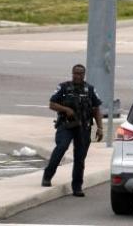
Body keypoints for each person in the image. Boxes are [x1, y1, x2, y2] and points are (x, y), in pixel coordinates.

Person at [42, 64, 103, 197]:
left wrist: (100, 127)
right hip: (66, 125)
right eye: (75, 73)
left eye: (80, 73)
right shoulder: (64, 87)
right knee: (61, 147)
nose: (77, 76)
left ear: (84, 75)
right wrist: (66, 109)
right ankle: (47, 176)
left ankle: (77, 187)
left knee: (80, 158)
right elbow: (52, 104)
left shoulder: (90, 89)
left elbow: (96, 109)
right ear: (72, 73)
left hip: (83, 127)